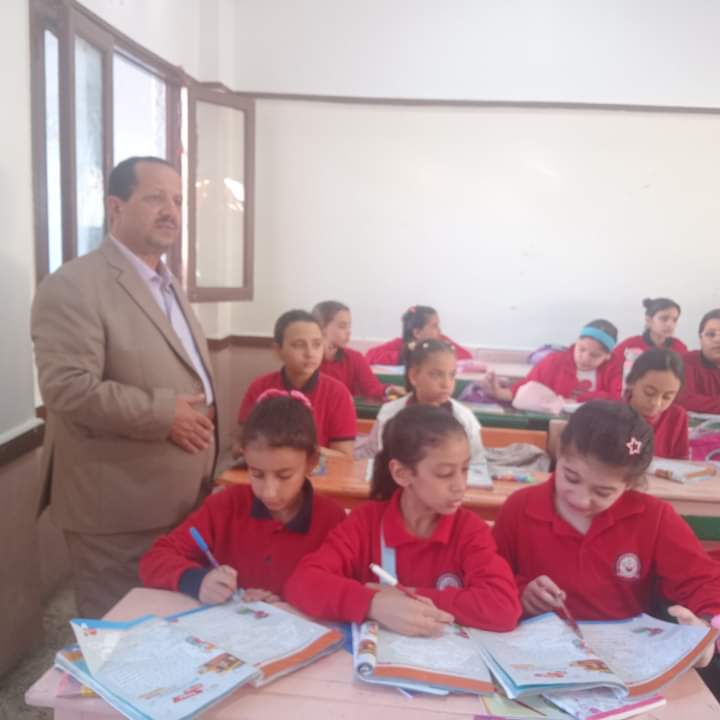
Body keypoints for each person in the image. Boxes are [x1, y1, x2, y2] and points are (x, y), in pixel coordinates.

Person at [31, 156, 217, 617]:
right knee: (119, 635)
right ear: (115, 207)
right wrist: (164, 413)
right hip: (118, 508)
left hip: (178, 500)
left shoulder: (167, 284)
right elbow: (67, 388)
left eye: (178, 200)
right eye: (155, 198)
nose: (171, 211)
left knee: (169, 630)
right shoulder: (74, 284)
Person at [493, 400, 720, 667]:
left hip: (626, 662)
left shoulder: (654, 517)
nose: (581, 499)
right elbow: (487, 576)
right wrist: (520, 593)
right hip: (533, 656)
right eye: (571, 477)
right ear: (559, 453)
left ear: (630, 484)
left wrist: (706, 627)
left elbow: (704, 581)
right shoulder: (521, 507)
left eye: (603, 492)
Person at [284, 405, 521, 635]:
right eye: (445, 473)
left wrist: (408, 597)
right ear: (401, 473)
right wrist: (374, 604)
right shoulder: (365, 524)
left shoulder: (469, 530)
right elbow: (302, 583)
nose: (460, 485)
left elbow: (504, 606)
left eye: (465, 469)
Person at [140, 392, 346, 603]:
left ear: (311, 463)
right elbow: (154, 559)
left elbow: (348, 586)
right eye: (256, 474)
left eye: (284, 476)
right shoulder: (226, 506)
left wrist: (290, 600)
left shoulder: (332, 520)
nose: (269, 492)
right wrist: (198, 580)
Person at [363, 340, 490, 485]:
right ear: (414, 375)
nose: (446, 383)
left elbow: (477, 464)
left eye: (452, 375)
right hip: (398, 487)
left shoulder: (464, 417)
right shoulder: (390, 413)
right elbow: (374, 458)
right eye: (436, 375)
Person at [237, 310, 357, 456]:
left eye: (317, 344)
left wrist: (298, 449)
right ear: (277, 350)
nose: (310, 353)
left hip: (321, 470)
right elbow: (240, 445)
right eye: (299, 345)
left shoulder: (338, 393)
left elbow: (344, 456)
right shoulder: (260, 387)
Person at [484, 319, 620, 403]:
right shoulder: (554, 362)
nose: (585, 358)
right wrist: (498, 392)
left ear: (607, 356)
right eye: (581, 349)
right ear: (576, 342)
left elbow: (619, 400)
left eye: (594, 355)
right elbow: (527, 389)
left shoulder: (615, 370)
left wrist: (582, 398)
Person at [312, 300, 404, 400]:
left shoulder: (355, 358)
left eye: (349, 326)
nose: (348, 332)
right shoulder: (309, 360)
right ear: (321, 327)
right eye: (342, 326)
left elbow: (372, 388)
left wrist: (388, 389)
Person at [625, 348, 689, 459]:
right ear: (631, 382)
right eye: (649, 393)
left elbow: (681, 461)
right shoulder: (612, 415)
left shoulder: (677, 416)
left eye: (667, 397)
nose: (656, 403)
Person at [365, 305, 472, 366]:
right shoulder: (400, 344)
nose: (440, 330)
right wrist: (404, 356)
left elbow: (467, 356)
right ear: (417, 333)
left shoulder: (442, 341)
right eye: (434, 326)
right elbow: (370, 355)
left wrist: (435, 355)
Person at [613, 297, 688, 371]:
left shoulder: (679, 347)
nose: (670, 324)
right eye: (664, 318)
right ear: (648, 320)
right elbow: (611, 370)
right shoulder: (630, 345)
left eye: (674, 320)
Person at [677, 309, 720, 414]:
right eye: (711, 334)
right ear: (700, 338)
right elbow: (684, 399)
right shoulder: (686, 361)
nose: (717, 340)